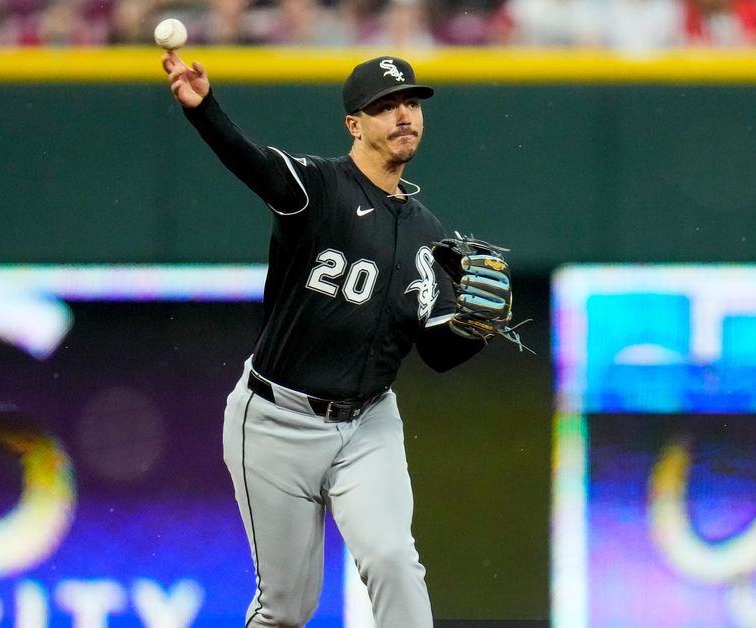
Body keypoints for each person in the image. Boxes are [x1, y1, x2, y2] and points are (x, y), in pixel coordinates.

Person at [161, 52, 503, 626]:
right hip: (275, 421)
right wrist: (205, 111)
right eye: (385, 106)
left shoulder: (428, 231)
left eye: (411, 104)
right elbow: (252, 163)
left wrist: (474, 326)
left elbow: (440, 353)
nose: (403, 116)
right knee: (287, 609)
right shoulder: (317, 187)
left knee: (394, 560)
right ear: (354, 124)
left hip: (367, 422)